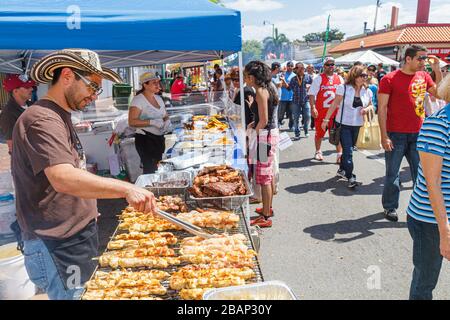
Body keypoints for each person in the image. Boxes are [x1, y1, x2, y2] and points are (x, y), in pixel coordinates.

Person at [12, 49, 157, 300]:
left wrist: (86, 205)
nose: (94, 95)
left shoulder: (59, 115)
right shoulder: (41, 119)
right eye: (93, 86)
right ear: (67, 76)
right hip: (57, 243)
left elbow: (71, 172)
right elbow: (63, 177)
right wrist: (126, 188)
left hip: (72, 237)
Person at [378, 45, 442, 222]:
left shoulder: (425, 76)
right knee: (392, 174)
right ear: (408, 59)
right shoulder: (389, 79)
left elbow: (440, 93)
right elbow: (382, 109)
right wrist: (384, 136)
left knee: (421, 174)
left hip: (419, 134)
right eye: (421, 58)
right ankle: (390, 207)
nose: (424, 62)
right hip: (396, 134)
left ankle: (421, 209)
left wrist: (437, 70)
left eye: (425, 58)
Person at [405, 74, 450, 300]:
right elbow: (433, 184)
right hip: (431, 220)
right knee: (425, 283)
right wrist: (445, 230)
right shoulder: (438, 124)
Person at [321, 65, 373, 188]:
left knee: (349, 149)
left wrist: (366, 109)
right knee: (348, 151)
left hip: (358, 125)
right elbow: (334, 104)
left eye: (366, 76)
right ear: (355, 76)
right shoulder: (343, 88)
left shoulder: (368, 90)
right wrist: (325, 120)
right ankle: (350, 177)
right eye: (362, 75)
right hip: (343, 124)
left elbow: (371, 106)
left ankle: (342, 169)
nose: (364, 78)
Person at [245, 61, 279, 228]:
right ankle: (268, 208)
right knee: (268, 174)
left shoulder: (260, 91)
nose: (245, 80)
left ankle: (265, 216)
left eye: (246, 76)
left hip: (264, 137)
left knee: (264, 177)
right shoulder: (269, 87)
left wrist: (253, 134)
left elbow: (264, 119)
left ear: (252, 77)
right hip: (269, 134)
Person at [129, 71, 171, 174]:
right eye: (154, 83)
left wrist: (167, 121)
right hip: (145, 140)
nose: (158, 85)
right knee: (150, 170)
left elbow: (164, 115)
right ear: (145, 85)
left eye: (158, 82)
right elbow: (131, 121)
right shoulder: (138, 100)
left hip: (159, 139)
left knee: (159, 167)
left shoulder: (159, 98)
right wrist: (152, 122)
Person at [308, 57, 344, 162]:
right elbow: (311, 94)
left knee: (336, 135)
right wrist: (313, 107)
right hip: (322, 112)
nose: (331, 66)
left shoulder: (339, 78)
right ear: (324, 66)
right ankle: (318, 151)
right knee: (319, 134)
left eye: (332, 64)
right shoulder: (319, 78)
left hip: (336, 113)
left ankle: (339, 154)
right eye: (328, 65)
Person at [0, 74, 36, 154]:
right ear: (15, 91)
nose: (31, 89)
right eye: (27, 87)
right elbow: (11, 144)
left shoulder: (32, 105)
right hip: (25, 158)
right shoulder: (8, 113)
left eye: (31, 86)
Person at [286, 62, 312, 140]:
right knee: (296, 118)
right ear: (296, 70)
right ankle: (297, 132)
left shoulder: (308, 77)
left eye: (302, 68)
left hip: (305, 100)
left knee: (307, 116)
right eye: (299, 68)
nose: (301, 70)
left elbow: (314, 86)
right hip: (295, 101)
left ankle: (306, 129)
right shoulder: (293, 79)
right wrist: (284, 82)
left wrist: (310, 87)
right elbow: (289, 88)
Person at [278, 61, 296, 129]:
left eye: (291, 66)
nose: (290, 67)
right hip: (283, 97)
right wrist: (287, 85)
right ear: (287, 66)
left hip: (292, 97)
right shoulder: (282, 75)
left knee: (292, 114)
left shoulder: (294, 75)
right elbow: (280, 84)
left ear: (293, 67)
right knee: (281, 113)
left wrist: (286, 85)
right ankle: (279, 123)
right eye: (289, 66)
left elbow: (293, 86)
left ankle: (291, 126)